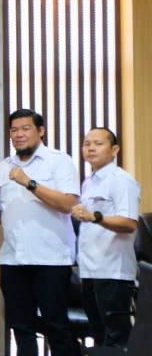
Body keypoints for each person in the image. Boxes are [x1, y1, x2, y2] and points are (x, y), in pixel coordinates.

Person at [0, 109, 79, 356]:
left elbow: (68, 204)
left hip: (50, 259)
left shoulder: (59, 161)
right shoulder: (5, 166)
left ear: (40, 131)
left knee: (56, 327)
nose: (18, 134)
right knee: (20, 327)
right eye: (14, 130)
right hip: (13, 260)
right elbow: (1, 216)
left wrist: (29, 183)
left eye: (25, 128)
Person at [71, 128, 140, 348]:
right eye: (86, 143)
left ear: (115, 149)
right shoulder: (89, 182)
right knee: (99, 333)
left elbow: (129, 223)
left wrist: (94, 216)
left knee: (117, 336)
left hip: (113, 271)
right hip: (90, 270)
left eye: (98, 143)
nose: (91, 148)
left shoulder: (121, 180)